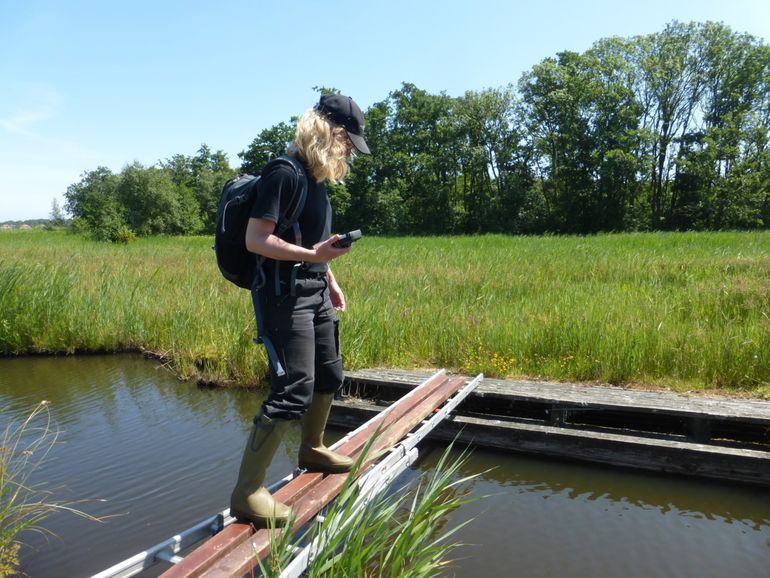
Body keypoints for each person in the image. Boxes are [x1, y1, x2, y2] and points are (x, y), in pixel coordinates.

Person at [229, 94, 370, 527]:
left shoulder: (317, 182)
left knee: (330, 373)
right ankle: (248, 493)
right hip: (282, 296)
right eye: (347, 141)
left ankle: (312, 448)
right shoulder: (284, 173)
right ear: (327, 131)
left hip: (313, 290)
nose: (348, 151)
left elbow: (314, 245)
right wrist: (312, 257)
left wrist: (330, 278)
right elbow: (257, 239)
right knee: (293, 389)